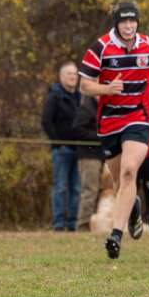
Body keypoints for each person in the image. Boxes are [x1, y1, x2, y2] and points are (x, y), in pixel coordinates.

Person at [78, 2, 149, 259]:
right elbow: (85, 85)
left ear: (138, 22)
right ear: (116, 24)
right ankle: (132, 208)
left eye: (133, 22)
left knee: (130, 171)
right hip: (109, 121)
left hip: (139, 117)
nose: (129, 26)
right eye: (124, 22)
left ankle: (116, 236)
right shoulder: (100, 48)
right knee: (120, 180)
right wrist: (106, 89)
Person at [41, 62, 83, 231]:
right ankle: (59, 224)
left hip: (78, 149)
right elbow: (46, 121)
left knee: (76, 188)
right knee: (60, 187)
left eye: (75, 74)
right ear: (61, 77)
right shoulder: (55, 96)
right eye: (69, 74)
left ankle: (73, 224)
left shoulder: (80, 97)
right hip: (61, 150)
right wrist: (58, 143)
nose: (73, 77)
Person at [72, 92, 104, 231]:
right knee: (89, 191)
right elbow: (77, 130)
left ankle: (96, 225)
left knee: (101, 191)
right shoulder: (86, 108)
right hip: (89, 156)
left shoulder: (105, 107)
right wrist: (99, 136)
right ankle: (83, 226)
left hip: (103, 155)